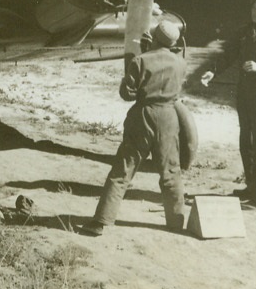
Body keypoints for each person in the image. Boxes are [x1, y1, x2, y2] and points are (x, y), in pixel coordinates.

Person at [81, 18, 189, 236]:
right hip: (168, 117)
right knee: (170, 171)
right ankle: (176, 223)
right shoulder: (181, 63)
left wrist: (139, 57)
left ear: (154, 36)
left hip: (143, 116)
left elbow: (127, 94)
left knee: (123, 169)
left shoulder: (141, 60)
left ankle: (101, 221)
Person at [200, 0, 256, 211]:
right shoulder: (244, 34)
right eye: (253, 7)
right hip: (245, 96)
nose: (254, 11)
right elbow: (228, 55)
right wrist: (213, 72)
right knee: (247, 143)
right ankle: (252, 188)